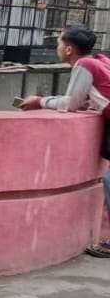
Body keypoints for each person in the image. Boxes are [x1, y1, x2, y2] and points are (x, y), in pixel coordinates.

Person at [19, 23, 110, 257]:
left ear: (69, 49)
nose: (57, 47)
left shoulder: (85, 64)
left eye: (59, 42)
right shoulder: (101, 61)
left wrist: (40, 101)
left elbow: (72, 103)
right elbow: (90, 98)